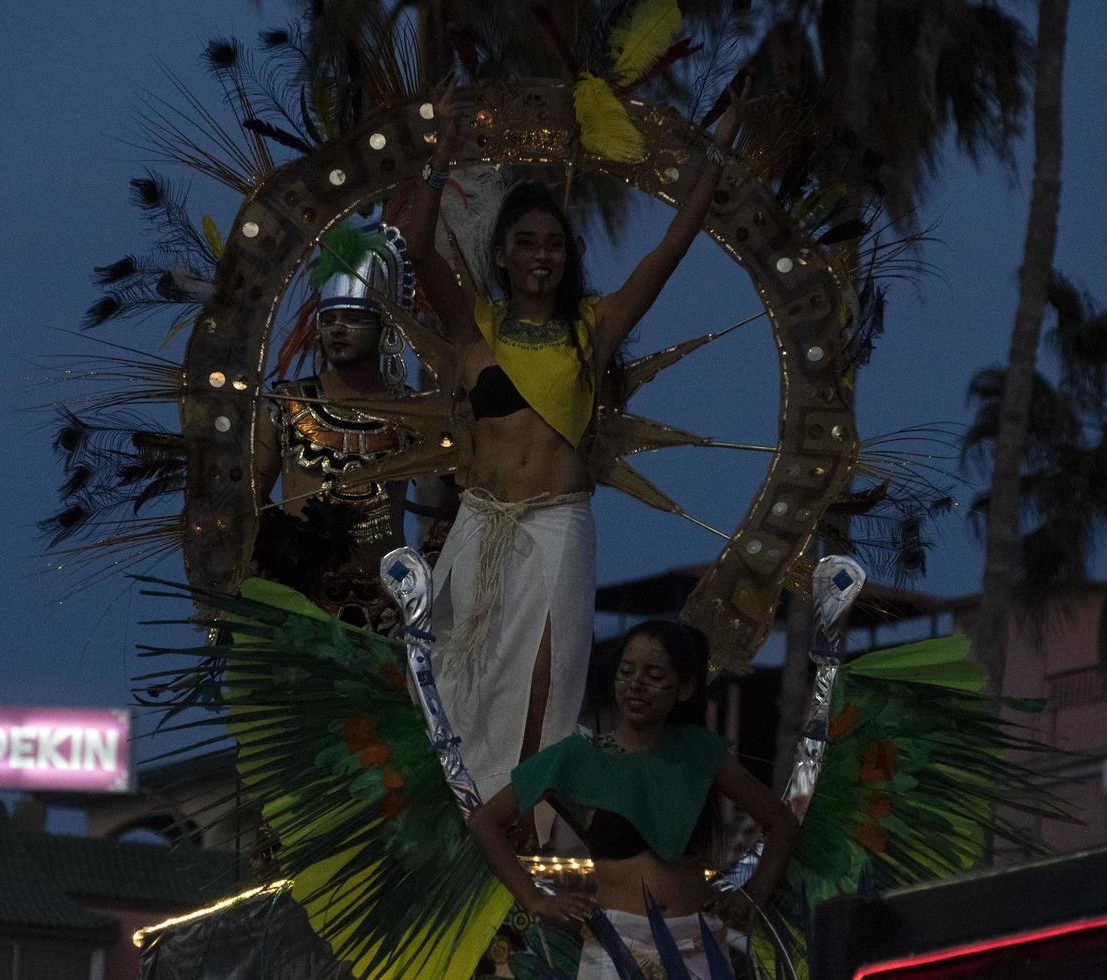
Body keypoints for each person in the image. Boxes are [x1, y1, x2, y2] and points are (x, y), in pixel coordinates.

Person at [401, 82, 755, 824]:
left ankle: (522, 825)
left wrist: (715, 152)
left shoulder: (596, 326)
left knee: (546, 679)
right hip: (482, 522)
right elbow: (416, 243)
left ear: (570, 256)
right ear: (500, 252)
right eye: (525, 242)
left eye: (554, 243)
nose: (540, 255)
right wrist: (440, 157)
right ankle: (457, 822)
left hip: (559, 523)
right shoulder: (475, 324)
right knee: (457, 680)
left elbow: (672, 245)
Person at [467, 620, 798, 977]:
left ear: (683, 688)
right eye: (626, 672)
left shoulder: (698, 752)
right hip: (616, 948)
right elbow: (483, 821)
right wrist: (533, 898)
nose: (636, 685)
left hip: (698, 944)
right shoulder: (580, 757)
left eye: (654, 675)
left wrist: (752, 895)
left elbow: (780, 821)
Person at [253, 222, 415, 636]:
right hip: (298, 608)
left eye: (354, 318)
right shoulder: (286, 406)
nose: (338, 329)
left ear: (384, 329)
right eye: (330, 320)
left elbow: (446, 503)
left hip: (391, 611)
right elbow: (247, 498)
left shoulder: (415, 412)